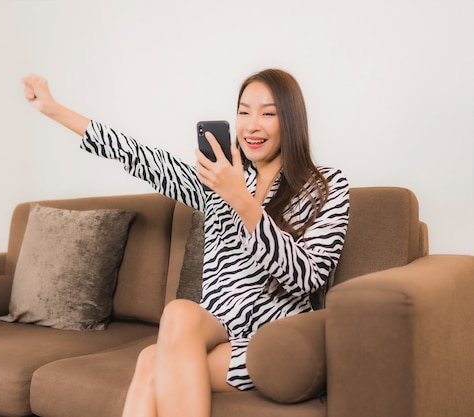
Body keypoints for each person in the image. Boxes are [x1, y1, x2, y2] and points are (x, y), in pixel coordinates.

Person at [23, 68, 350, 417]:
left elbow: (308, 277)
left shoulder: (325, 186)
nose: (252, 125)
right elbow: (137, 156)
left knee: (152, 361)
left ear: (290, 120)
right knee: (179, 311)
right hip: (215, 326)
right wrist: (53, 109)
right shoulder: (212, 182)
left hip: (273, 338)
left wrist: (241, 198)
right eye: (243, 112)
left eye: (268, 113)